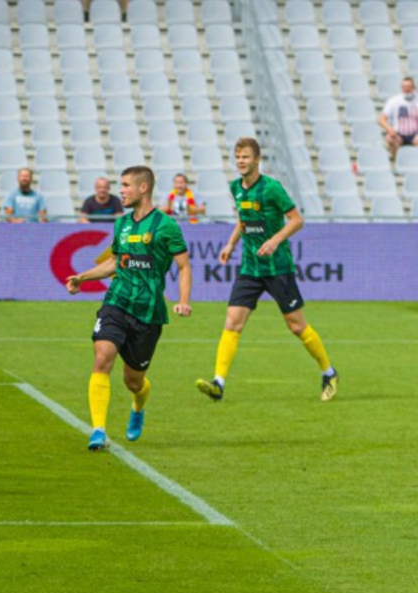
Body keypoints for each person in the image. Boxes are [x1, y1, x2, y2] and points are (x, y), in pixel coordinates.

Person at [195, 138, 338, 403]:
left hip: (277, 268)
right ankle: (218, 383)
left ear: (257, 159)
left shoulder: (272, 188)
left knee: (296, 326)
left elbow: (297, 220)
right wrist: (230, 244)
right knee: (232, 322)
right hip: (250, 267)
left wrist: (275, 240)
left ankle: (328, 372)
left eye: (245, 157)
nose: (241, 161)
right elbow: (243, 218)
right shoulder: (235, 187)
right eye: (238, 157)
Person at [66, 166, 192, 451]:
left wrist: (183, 300)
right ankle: (98, 430)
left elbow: (184, 266)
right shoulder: (121, 224)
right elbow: (115, 262)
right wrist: (83, 277)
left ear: (143, 188)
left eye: (125, 185)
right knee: (102, 358)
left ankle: (138, 405)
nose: (120, 191)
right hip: (117, 301)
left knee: (133, 381)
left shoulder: (166, 225)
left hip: (148, 312)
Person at [380, 76, 418, 160]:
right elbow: (382, 119)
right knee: (390, 138)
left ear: (414, 88)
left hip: (415, 133)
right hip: (399, 133)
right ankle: (396, 160)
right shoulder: (394, 101)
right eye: (404, 87)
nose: (406, 89)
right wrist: (390, 129)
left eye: (409, 87)